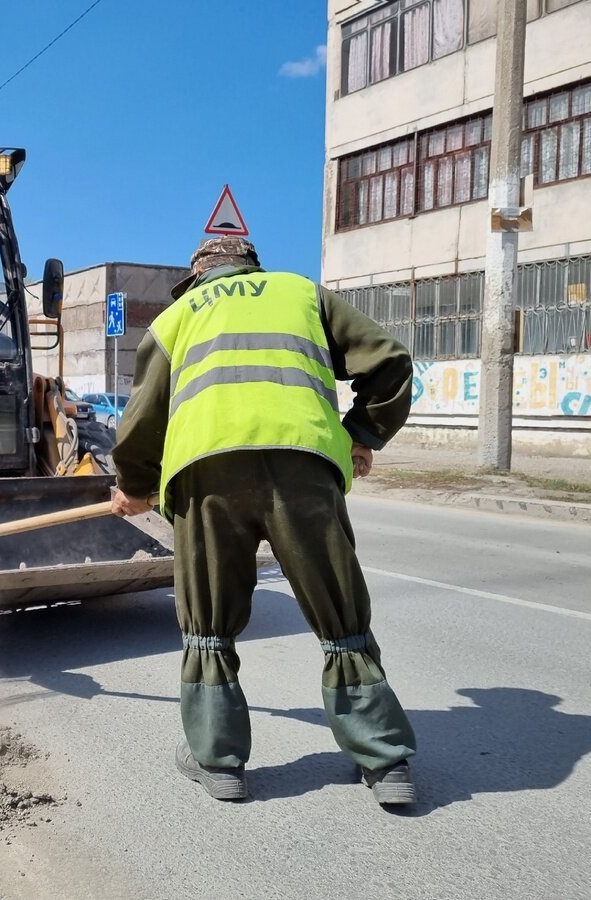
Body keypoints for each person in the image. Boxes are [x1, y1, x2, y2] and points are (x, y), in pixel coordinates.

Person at [109, 236, 417, 805]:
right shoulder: (302, 294)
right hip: (304, 464)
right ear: (251, 268)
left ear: (197, 278)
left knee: (208, 620)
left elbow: (142, 416)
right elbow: (391, 361)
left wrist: (134, 487)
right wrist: (362, 434)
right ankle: (385, 761)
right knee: (340, 615)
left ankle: (219, 762)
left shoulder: (177, 317)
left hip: (206, 474)